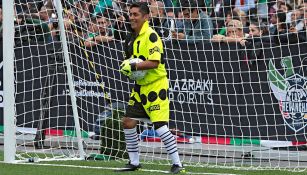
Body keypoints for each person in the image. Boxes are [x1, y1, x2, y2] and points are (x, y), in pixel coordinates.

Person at [119, 2, 185, 174]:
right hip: (140, 86)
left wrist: (132, 68)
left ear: (146, 17)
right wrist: (130, 70)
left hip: (156, 86)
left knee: (160, 127)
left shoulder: (152, 36)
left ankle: (178, 164)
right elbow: (132, 63)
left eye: (136, 14)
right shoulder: (130, 38)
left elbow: (154, 63)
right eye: (130, 14)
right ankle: (134, 162)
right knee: (128, 122)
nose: (132, 17)